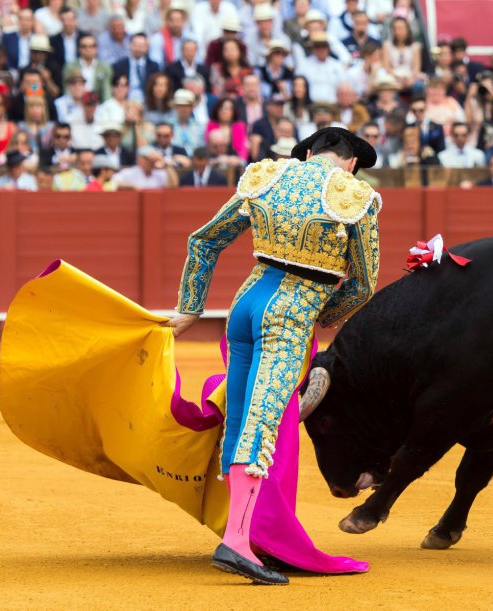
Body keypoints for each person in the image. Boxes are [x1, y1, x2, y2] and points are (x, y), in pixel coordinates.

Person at [167, 127, 379, 584]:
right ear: (351, 163)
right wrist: (321, 316)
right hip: (287, 318)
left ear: (307, 153)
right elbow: (363, 284)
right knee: (260, 425)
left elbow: (204, 241)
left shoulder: (265, 175)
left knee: (242, 418)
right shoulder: (355, 195)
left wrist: (189, 309)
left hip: (243, 309)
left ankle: (241, 532)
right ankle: (238, 543)